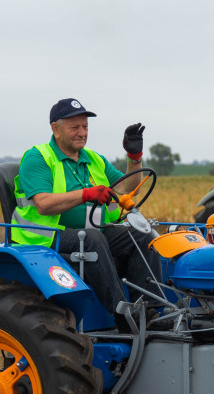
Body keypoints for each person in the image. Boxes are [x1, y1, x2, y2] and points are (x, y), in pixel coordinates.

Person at [11, 98, 161, 326]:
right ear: (55, 129)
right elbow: (43, 203)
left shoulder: (93, 159)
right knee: (91, 239)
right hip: (45, 237)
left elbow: (127, 188)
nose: (82, 133)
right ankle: (122, 315)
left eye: (85, 127)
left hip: (89, 232)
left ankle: (149, 313)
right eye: (75, 127)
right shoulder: (38, 157)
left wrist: (134, 158)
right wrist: (87, 194)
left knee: (141, 235)